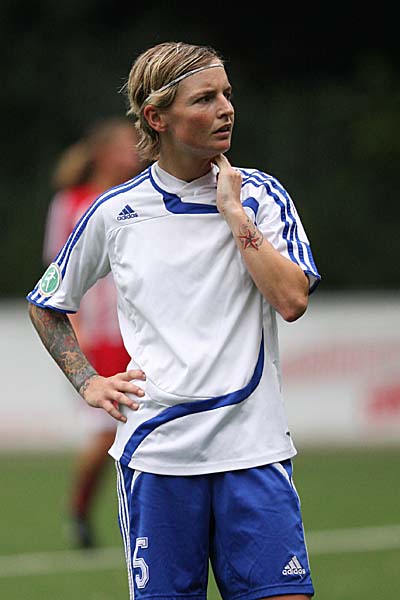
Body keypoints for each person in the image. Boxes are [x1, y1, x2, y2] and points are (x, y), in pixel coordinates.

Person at [27, 41, 321, 599]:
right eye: (205, 98)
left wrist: (233, 213)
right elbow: (46, 303)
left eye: (227, 94)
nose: (225, 108)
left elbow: (291, 300)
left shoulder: (260, 196)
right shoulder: (115, 212)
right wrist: (88, 381)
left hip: (255, 454)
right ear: (157, 117)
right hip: (157, 458)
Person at [42, 116, 147, 548]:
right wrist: (75, 331)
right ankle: (80, 511)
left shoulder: (140, 196)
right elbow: (56, 273)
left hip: (137, 335)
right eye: (124, 144)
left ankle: (143, 522)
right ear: (102, 152)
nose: (135, 150)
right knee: (106, 432)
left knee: (143, 432)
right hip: (97, 339)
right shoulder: (70, 203)